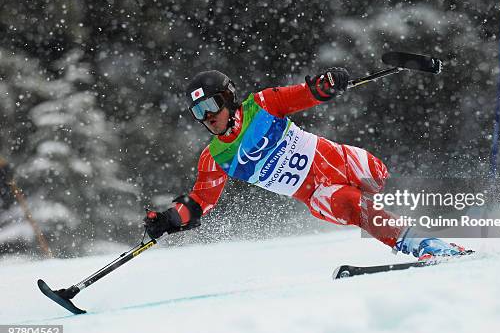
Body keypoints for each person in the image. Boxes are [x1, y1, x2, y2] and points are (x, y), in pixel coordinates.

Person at [144, 69, 467, 260]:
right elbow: (201, 201)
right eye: (198, 112)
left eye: (211, 105)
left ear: (228, 98)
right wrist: (171, 217)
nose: (208, 117)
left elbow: (306, 93)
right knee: (352, 205)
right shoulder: (215, 157)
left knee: (378, 175)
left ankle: (460, 217)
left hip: (340, 161)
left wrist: (327, 84)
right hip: (319, 193)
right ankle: (422, 243)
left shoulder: (262, 105)